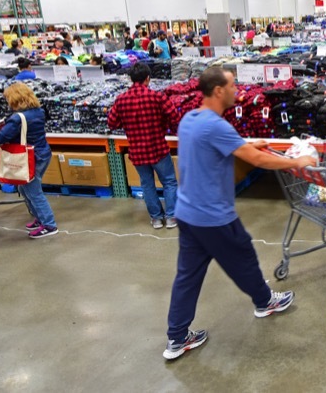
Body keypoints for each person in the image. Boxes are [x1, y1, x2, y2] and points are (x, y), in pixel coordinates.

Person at [164, 67, 314, 360]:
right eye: (233, 85)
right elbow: (257, 160)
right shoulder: (217, 126)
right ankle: (264, 301)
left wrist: (246, 143)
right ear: (218, 91)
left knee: (187, 276)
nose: (238, 90)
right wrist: (299, 162)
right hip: (213, 216)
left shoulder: (190, 119)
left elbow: (218, 146)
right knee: (243, 256)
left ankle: (177, 337)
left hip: (187, 212)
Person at [0, 83, 58, 238]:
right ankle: (40, 219)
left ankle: (49, 225)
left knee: (34, 192)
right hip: (42, 153)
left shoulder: (18, 118)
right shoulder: (38, 111)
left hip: (29, 158)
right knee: (26, 189)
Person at [108, 63, 180, 229]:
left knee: (147, 184)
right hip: (158, 148)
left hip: (138, 152)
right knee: (169, 182)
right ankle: (171, 217)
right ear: (148, 78)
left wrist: (126, 123)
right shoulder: (157, 97)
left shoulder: (121, 100)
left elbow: (111, 123)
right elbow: (175, 117)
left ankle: (156, 219)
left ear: (131, 79)